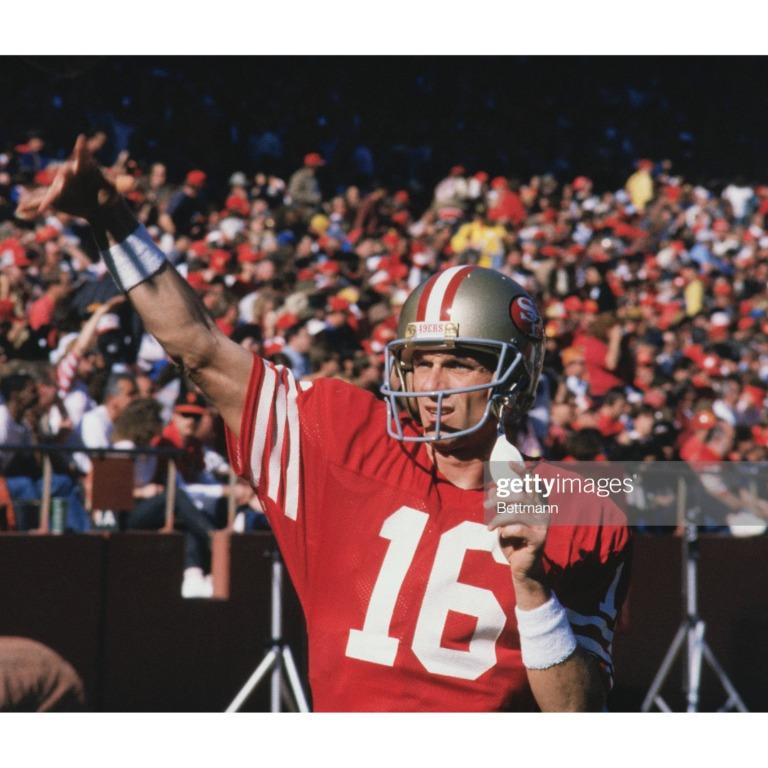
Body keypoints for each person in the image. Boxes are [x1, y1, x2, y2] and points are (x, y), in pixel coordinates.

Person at [18, 136, 630, 712]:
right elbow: (198, 349)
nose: (432, 386)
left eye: (460, 363)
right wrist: (112, 221)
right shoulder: (339, 437)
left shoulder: (580, 508)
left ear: (515, 376)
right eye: (420, 364)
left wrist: (533, 586)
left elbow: (576, 715)